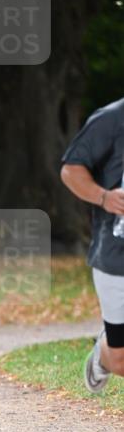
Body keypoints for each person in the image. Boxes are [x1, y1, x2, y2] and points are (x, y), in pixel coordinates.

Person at [60, 98, 124, 392]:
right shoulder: (111, 118)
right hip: (116, 255)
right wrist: (103, 197)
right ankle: (103, 353)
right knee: (121, 359)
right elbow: (71, 171)